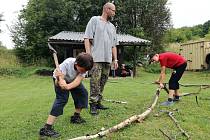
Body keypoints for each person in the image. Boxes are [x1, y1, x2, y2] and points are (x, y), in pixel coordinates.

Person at [39, 52, 93, 138]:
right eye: (83, 70)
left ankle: (76, 117)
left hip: (72, 80)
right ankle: (46, 128)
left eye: (86, 70)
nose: (85, 72)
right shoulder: (67, 64)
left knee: (83, 93)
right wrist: (60, 80)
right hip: (59, 78)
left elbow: (77, 81)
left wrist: (67, 86)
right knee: (62, 99)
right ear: (76, 64)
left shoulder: (84, 68)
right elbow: (58, 82)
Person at [84, 2, 118, 115]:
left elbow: (114, 45)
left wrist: (115, 59)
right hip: (96, 58)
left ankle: (98, 102)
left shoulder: (112, 27)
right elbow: (87, 38)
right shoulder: (95, 20)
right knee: (95, 81)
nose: (114, 13)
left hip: (107, 59)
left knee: (103, 81)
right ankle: (93, 104)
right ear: (106, 9)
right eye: (113, 10)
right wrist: (89, 56)